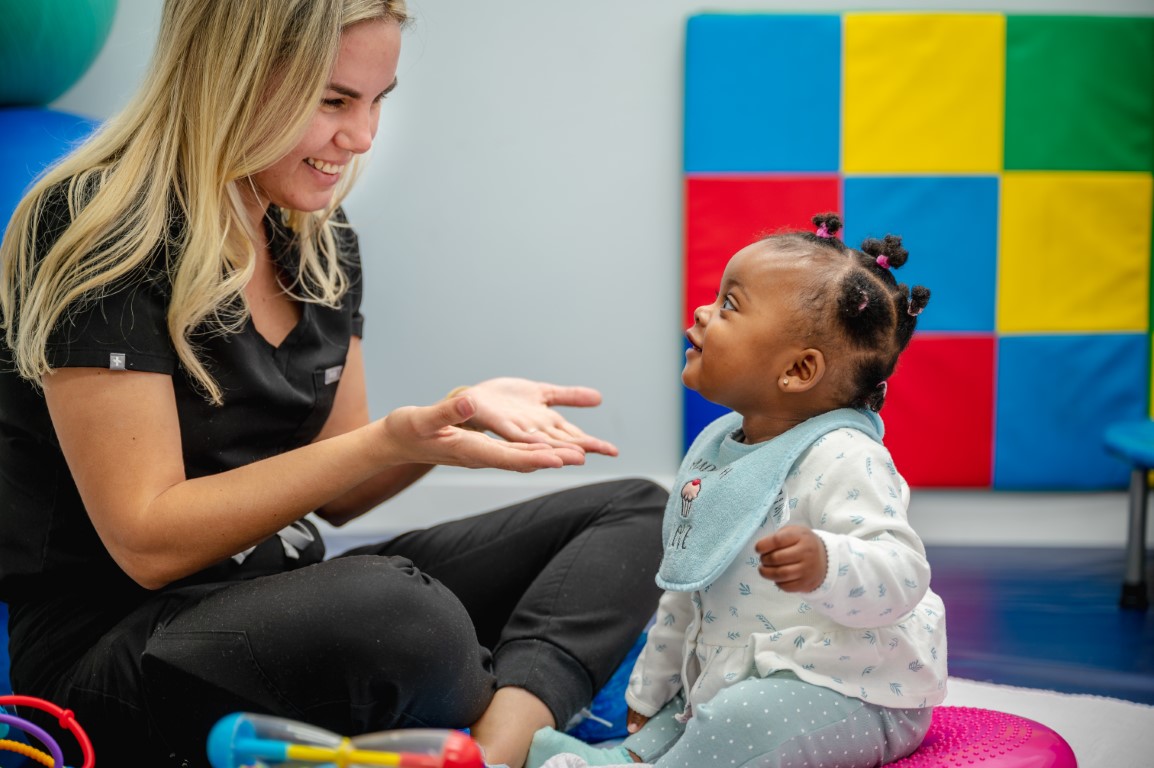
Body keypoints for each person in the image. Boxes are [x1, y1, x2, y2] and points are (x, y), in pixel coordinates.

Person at [0, 2, 666, 766]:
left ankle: (501, 745)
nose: (363, 138)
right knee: (397, 612)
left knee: (640, 512)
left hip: (283, 600)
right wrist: (396, 436)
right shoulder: (99, 226)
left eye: (379, 100)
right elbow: (146, 541)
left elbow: (341, 484)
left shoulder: (314, 235)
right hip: (116, 648)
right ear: (230, 77)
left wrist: (451, 427)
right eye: (334, 101)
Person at [525, 214, 947, 768]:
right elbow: (687, 580)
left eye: (729, 305)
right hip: (749, 672)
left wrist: (828, 561)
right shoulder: (721, 449)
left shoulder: (846, 456)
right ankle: (632, 758)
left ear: (797, 369)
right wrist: (650, 689)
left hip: (855, 691)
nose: (702, 311)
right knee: (687, 713)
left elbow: (903, 574)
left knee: (740, 720)